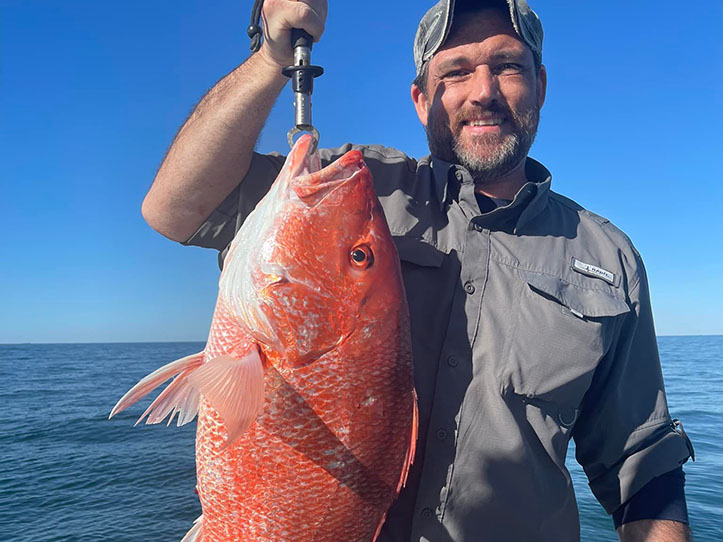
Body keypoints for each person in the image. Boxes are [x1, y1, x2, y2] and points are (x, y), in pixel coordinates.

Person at [141, 0, 695, 540]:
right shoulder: (360, 189)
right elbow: (175, 209)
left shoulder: (609, 259)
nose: (484, 91)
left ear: (541, 85)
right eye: (455, 71)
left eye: (507, 65)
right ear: (421, 100)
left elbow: (639, 460)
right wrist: (270, 60)